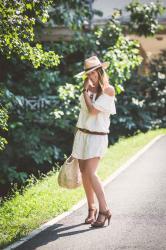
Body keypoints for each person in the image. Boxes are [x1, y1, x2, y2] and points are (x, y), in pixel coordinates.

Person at [71, 55, 116, 227]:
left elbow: (92, 112)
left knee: (91, 172)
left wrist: (85, 92)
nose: (91, 77)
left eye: (94, 73)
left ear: (100, 71)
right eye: (88, 74)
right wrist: (86, 91)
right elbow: (83, 115)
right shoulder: (88, 90)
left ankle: (105, 209)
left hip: (97, 137)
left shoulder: (108, 90)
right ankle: (91, 209)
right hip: (82, 134)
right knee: (84, 173)